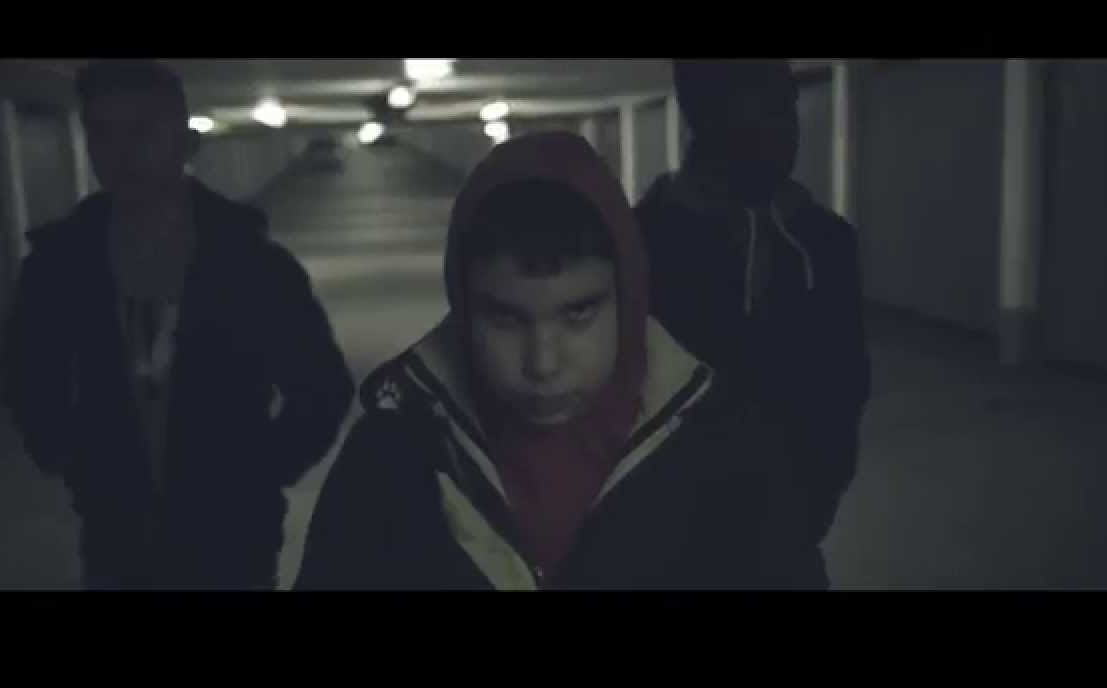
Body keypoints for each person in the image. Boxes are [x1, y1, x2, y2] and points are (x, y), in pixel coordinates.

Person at [294, 131, 825, 590]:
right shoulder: (387, 462)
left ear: (629, 300)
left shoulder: (729, 455)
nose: (543, 364)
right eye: (505, 318)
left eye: (578, 314)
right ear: (463, 310)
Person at [0, 60, 354, 590]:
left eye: (142, 130)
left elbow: (322, 387)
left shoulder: (249, 263)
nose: (123, 153)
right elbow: (26, 375)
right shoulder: (59, 266)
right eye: (103, 133)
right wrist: (71, 460)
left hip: (231, 537)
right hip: (116, 532)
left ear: (184, 139)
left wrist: (260, 472)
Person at [635, 59, 871, 544]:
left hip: (789, 532)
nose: (790, 127)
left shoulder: (825, 242)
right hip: (660, 531)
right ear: (708, 115)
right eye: (769, 108)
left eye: (790, 106)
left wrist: (811, 502)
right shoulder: (639, 243)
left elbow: (845, 384)